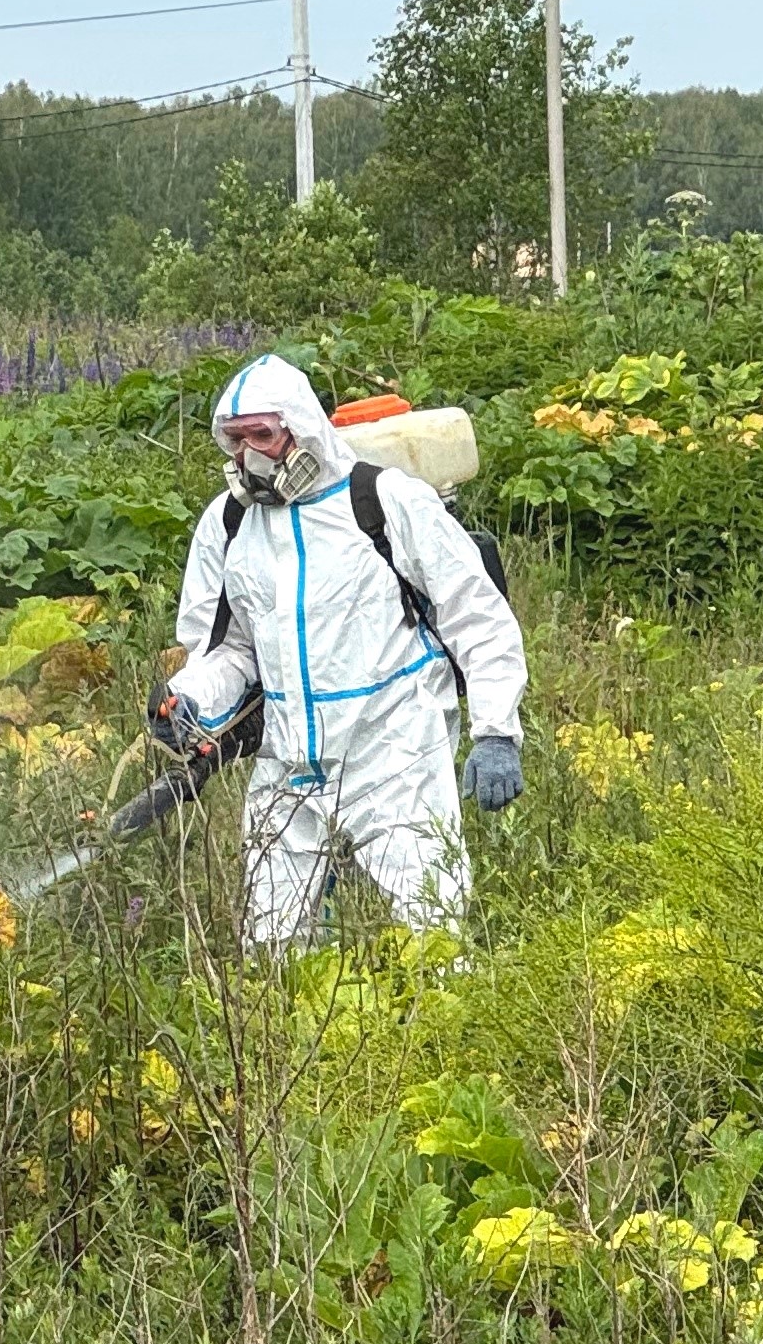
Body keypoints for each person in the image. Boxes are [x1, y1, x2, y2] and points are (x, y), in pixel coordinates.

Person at [158, 353, 526, 945]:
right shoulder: (229, 524)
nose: (250, 454)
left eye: (263, 435)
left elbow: (476, 615)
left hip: (393, 745)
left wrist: (496, 732)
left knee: (430, 929)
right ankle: (303, 1036)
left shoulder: (384, 501)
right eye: (235, 439)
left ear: (300, 428)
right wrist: (188, 702)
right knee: (274, 943)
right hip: (289, 757)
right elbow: (227, 651)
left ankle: (443, 1031)